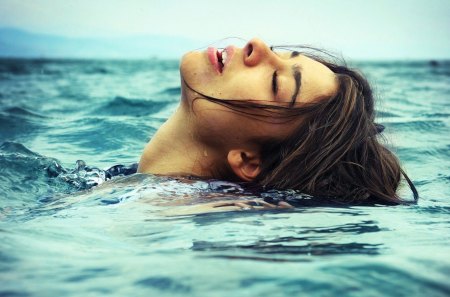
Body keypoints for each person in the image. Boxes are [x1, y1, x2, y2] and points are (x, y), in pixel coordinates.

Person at [137, 38, 418, 205]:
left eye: (274, 81)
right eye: (277, 53)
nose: (256, 45)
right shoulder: (138, 197)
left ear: (248, 161)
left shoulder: (162, 214)